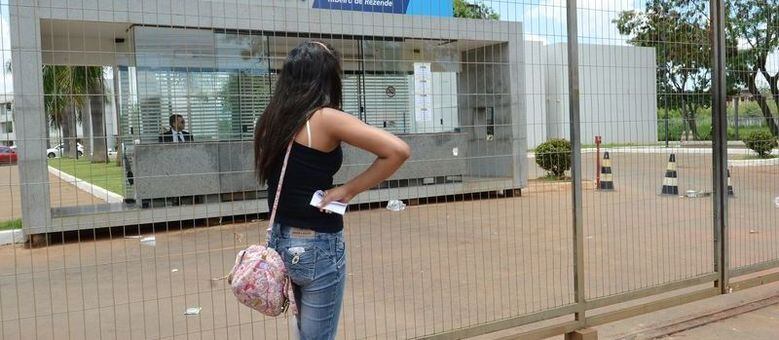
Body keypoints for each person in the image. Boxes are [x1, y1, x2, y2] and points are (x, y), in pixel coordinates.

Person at [254, 41, 410, 339]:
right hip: (318, 245)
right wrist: (348, 190)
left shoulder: (272, 119)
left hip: (280, 241)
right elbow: (398, 150)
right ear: (325, 77)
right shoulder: (324, 118)